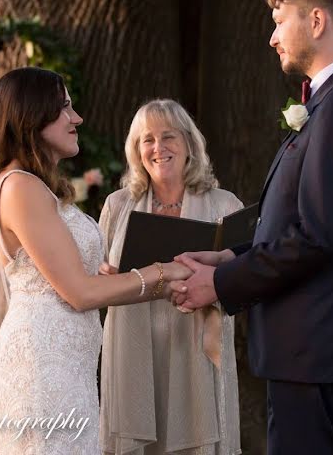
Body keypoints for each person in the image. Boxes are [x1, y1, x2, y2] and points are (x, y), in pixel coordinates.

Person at [171, 0, 333, 454]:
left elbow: (316, 238)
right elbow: (305, 223)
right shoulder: (332, 102)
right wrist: (230, 257)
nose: (272, 38)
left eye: (280, 21)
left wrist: (220, 284)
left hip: (317, 345)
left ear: (316, 22)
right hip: (306, 345)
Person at [0, 68, 193, 455]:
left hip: (66, 368)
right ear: (33, 114)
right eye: (64, 108)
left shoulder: (35, 186)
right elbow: (79, 293)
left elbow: (78, 281)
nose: (76, 119)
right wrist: (163, 272)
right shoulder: (20, 186)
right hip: (41, 370)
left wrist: (134, 281)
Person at [98, 99, 242, 455]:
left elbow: (244, 280)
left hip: (196, 346)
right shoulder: (117, 206)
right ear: (136, 150)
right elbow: (98, 281)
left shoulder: (224, 206)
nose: (158, 148)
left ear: (189, 144)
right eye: (147, 139)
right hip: (134, 348)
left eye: (168, 137)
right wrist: (107, 275)